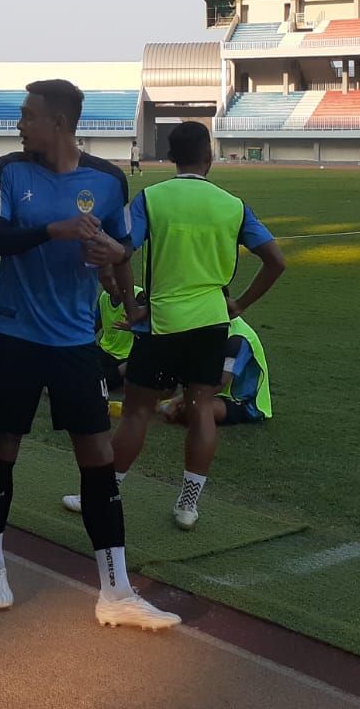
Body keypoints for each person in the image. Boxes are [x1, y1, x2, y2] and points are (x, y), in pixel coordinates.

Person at [0, 78, 178, 629]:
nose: (19, 125)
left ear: (57, 122)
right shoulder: (8, 171)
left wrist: (116, 253)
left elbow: (124, 242)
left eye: (27, 115)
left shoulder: (109, 180)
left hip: (74, 342)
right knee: (3, 448)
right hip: (15, 335)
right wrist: (53, 229)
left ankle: (116, 590)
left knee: (98, 459)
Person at [79, 122, 285, 532]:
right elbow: (276, 261)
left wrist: (132, 303)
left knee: (136, 412)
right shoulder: (232, 204)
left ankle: (108, 493)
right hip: (211, 322)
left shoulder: (151, 199)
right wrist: (239, 303)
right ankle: (189, 504)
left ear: (171, 157)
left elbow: (122, 249)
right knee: (201, 408)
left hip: (163, 324)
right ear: (208, 157)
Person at [159, 309, 272, 427]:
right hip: (212, 393)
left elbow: (219, 384)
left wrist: (176, 401)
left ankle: (172, 407)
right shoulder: (212, 327)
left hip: (244, 403)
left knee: (193, 409)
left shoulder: (237, 339)